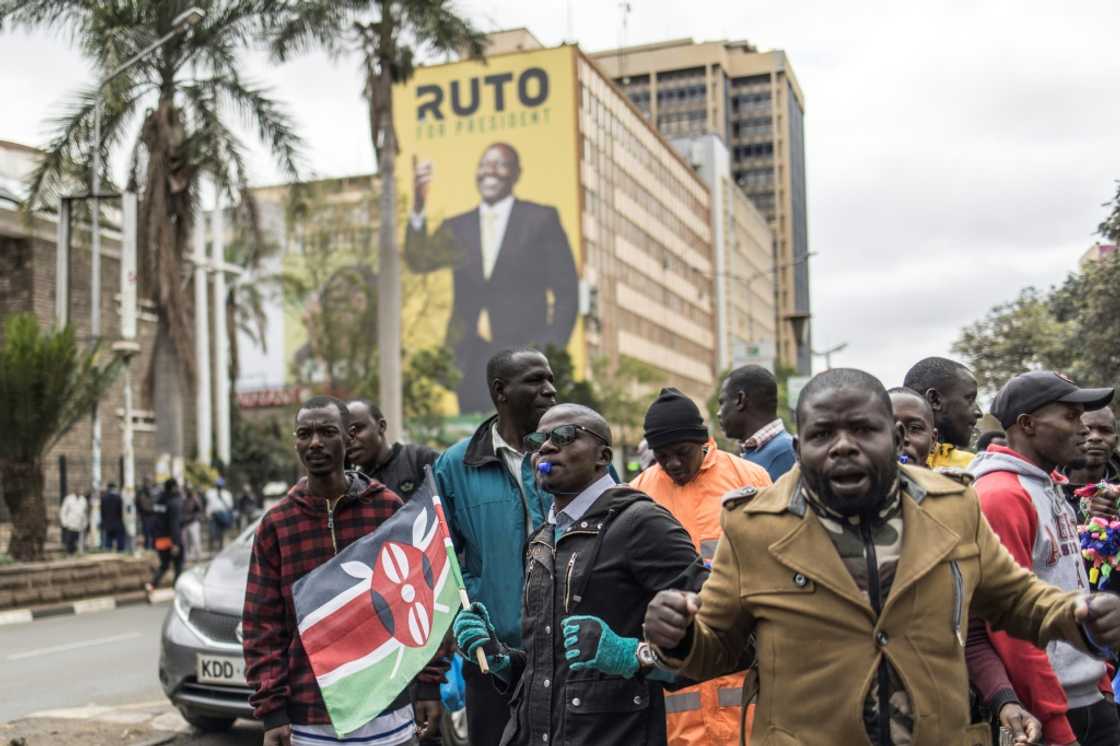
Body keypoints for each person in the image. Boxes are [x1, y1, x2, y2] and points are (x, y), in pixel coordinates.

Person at [644, 367, 1120, 746]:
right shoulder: (753, 526)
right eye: (823, 433)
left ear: (893, 437)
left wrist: (1079, 615)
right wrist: (681, 638)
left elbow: (1016, 600)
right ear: (798, 447)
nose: (844, 445)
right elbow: (719, 647)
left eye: (863, 429)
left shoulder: (953, 506)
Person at [453, 403, 706, 745]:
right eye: (539, 439)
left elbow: (722, 641)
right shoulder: (543, 538)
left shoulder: (642, 523)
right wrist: (501, 659)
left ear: (602, 456)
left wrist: (633, 656)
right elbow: (546, 670)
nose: (546, 447)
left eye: (565, 436)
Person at [243, 395, 439, 746]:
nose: (315, 442)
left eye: (326, 431)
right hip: (310, 718)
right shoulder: (277, 524)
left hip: (387, 708)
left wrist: (429, 683)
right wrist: (272, 710)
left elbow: (422, 598)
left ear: (348, 439)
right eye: (304, 433)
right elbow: (262, 625)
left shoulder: (387, 508)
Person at [970, 371, 1119, 746]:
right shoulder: (1001, 495)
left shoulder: (1050, 486)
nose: (1085, 428)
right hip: (1047, 711)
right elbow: (1010, 625)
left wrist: (1100, 681)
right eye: (1070, 416)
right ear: (1027, 424)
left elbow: (1073, 585)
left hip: (1089, 698)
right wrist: (1055, 724)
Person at [890, 386, 1044, 744]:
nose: (901, 441)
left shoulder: (958, 514)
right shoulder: (825, 522)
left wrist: (1004, 701)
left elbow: (969, 632)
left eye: (913, 429)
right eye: (888, 427)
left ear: (934, 438)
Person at [632, 387, 771, 745]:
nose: (674, 464)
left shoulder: (749, 480)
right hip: (678, 698)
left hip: (744, 681)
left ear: (704, 441)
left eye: (682, 453)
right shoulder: (638, 494)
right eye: (663, 457)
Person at [433, 348, 557, 745]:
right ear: (501, 391)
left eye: (551, 379)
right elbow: (440, 559)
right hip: (491, 658)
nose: (550, 390)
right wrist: (466, 621)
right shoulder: (455, 465)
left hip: (570, 655)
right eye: (536, 381)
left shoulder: (577, 452)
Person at [405, 144, 579, 413]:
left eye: (500, 164)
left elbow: (567, 292)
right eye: (484, 164)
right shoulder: (457, 227)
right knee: (478, 438)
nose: (490, 171)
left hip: (525, 353)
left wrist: (549, 351)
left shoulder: (541, 219)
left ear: (516, 173)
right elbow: (419, 260)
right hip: (469, 357)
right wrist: (418, 203)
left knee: (524, 434)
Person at [347, 399, 440, 501]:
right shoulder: (354, 484)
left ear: (381, 426)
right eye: (346, 433)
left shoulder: (420, 459)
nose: (350, 439)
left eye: (358, 429)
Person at [717, 365, 796, 481]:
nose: (719, 413)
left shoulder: (787, 452)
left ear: (740, 400)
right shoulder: (752, 453)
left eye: (722, 403)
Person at [903, 356, 982, 469]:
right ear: (935, 399)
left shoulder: (974, 469)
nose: (979, 412)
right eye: (970, 399)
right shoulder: (891, 465)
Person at [1059, 408, 1120, 519]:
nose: (1095, 437)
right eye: (1086, 429)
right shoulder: (1047, 486)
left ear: (1115, 441)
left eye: (1105, 430)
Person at [147, 479, 184, 591]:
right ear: (173, 487)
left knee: (164, 565)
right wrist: (176, 543)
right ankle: (176, 588)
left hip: (159, 539)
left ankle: (151, 585)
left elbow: (154, 520)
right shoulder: (173, 503)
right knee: (178, 565)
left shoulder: (158, 502)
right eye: (177, 486)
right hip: (171, 539)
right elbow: (174, 524)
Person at [205, 478, 234, 552]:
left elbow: (230, 506)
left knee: (223, 534)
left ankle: (222, 549)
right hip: (213, 516)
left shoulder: (227, 494)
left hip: (223, 515)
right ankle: (213, 550)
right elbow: (209, 504)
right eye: (218, 485)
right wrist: (208, 513)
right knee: (213, 533)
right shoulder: (210, 493)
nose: (219, 486)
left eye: (220, 485)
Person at [59, 490, 88, 556]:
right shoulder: (69, 499)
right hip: (70, 523)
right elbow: (63, 511)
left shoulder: (83, 500)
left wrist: (85, 523)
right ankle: (69, 553)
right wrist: (64, 522)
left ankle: (77, 552)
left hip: (80, 524)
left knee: (78, 540)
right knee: (70, 539)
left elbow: (84, 512)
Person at [99, 482, 126, 552]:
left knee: (109, 537)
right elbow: (120, 511)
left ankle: (109, 549)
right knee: (120, 536)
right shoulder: (118, 498)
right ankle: (120, 550)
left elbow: (102, 511)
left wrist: (104, 520)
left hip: (108, 521)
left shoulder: (104, 498)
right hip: (117, 520)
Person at [180, 486, 203, 561]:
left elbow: (200, 510)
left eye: (189, 490)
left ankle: (198, 556)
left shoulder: (195, 499)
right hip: (184, 523)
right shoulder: (183, 499)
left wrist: (194, 517)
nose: (188, 492)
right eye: (187, 490)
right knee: (184, 541)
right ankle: (185, 557)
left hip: (193, 522)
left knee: (196, 540)